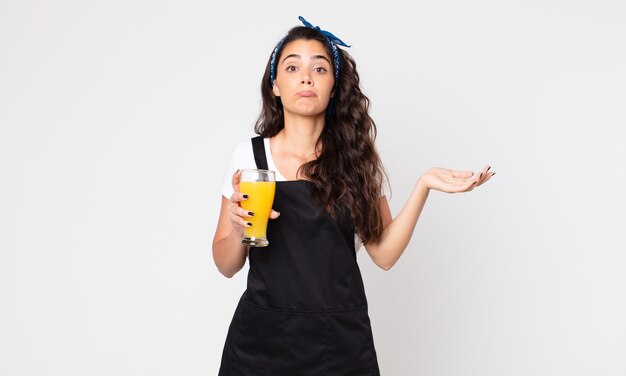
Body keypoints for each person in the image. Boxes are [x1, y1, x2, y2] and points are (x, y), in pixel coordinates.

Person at [212, 16, 495, 375]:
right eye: (292, 66)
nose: (306, 76)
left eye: (320, 67)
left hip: (339, 344)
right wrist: (238, 230)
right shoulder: (249, 159)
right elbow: (225, 264)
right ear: (275, 86)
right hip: (260, 343)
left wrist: (423, 185)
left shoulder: (355, 160)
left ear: (334, 86)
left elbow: (385, 254)